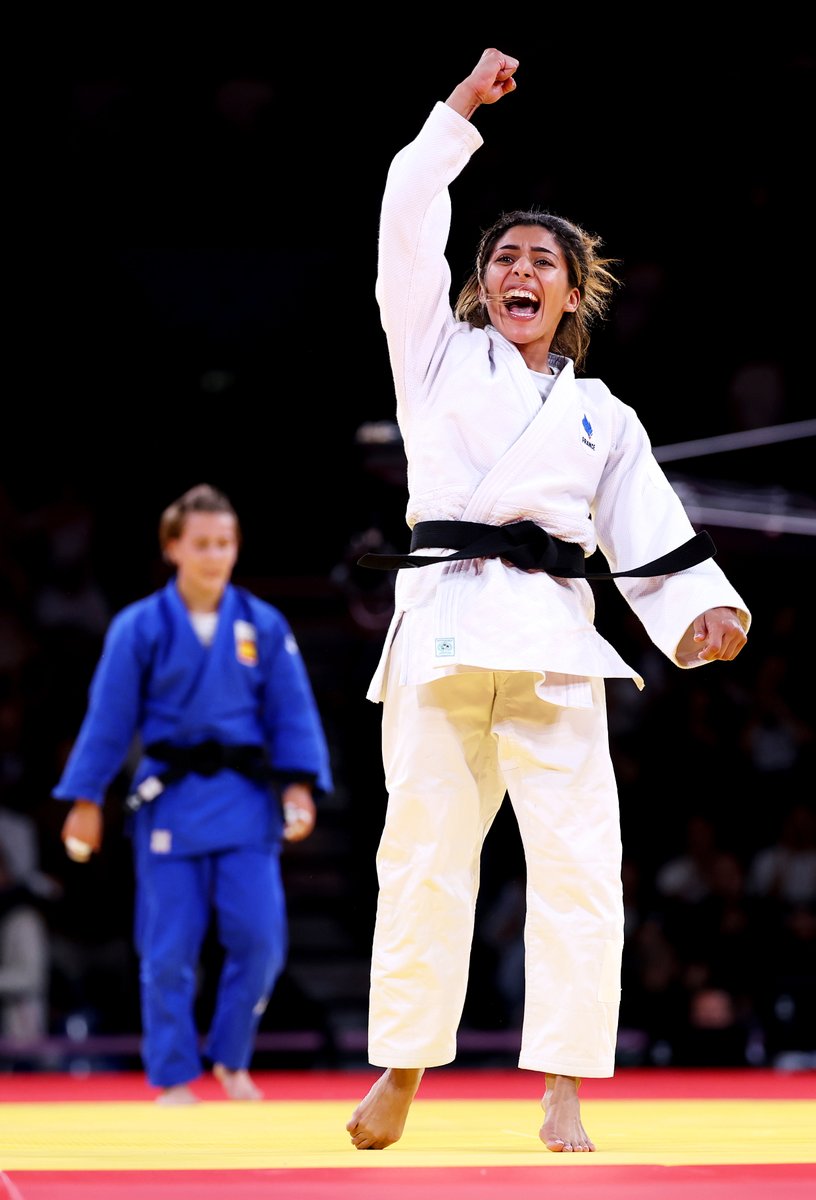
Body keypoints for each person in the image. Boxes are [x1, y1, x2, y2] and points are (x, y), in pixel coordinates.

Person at [345, 48, 750, 1153]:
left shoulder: (604, 415)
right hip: (440, 629)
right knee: (424, 856)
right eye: (507, 258)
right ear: (481, 288)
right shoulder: (432, 355)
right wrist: (456, 114)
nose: (525, 270)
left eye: (546, 261)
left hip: (559, 648)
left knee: (577, 867)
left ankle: (565, 1083)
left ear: (572, 295)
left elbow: (648, 535)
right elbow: (406, 215)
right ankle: (402, 1069)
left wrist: (699, 613)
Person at [53, 483, 333, 1104]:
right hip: (171, 803)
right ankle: (175, 1073)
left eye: (225, 543)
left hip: (245, 802)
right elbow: (108, 721)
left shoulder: (263, 624)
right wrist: (86, 800)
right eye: (201, 543)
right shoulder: (139, 627)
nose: (214, 555)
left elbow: (292, 713)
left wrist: (300, 788)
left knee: (261, 942)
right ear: (173, 547)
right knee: (169, 950)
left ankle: (231, 1058)